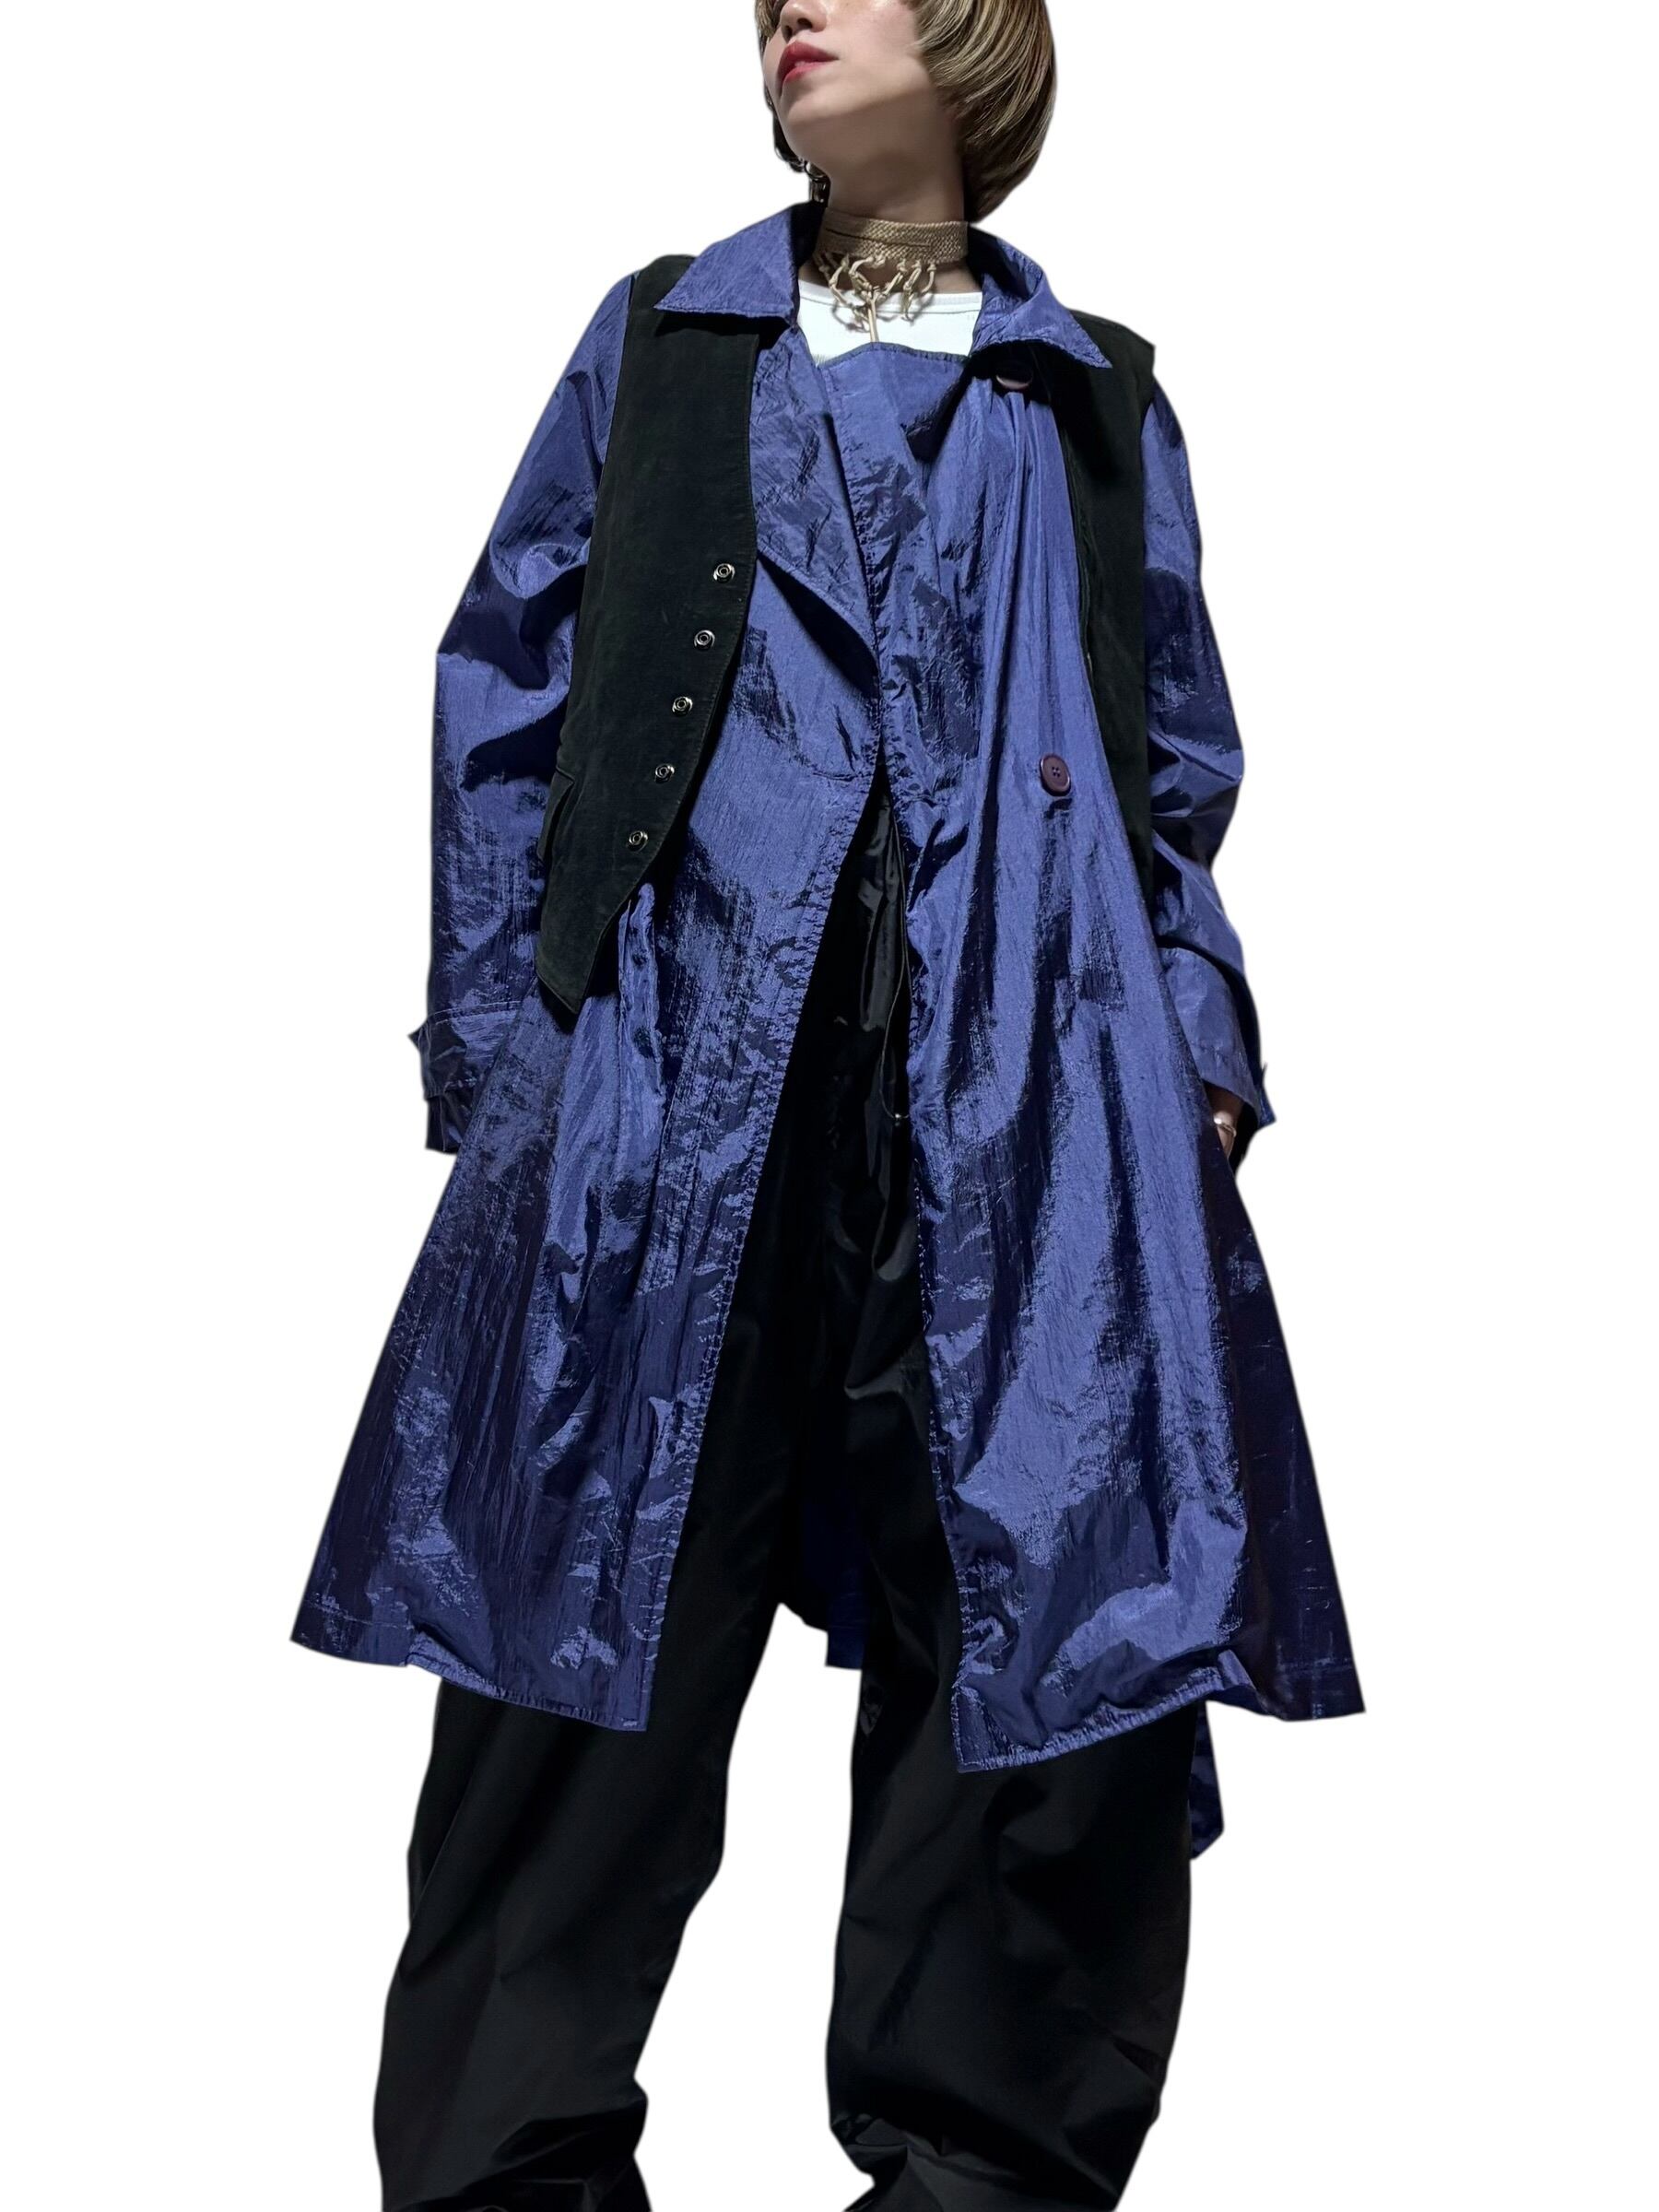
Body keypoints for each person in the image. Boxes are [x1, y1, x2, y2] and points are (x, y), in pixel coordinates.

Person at [293, 3, 1364, 2204]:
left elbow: (1171, 765)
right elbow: (505, 683)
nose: (795, 8)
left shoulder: (1095, 391)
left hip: (1034, 1100)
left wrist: (1197, 1053)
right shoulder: (663, 343)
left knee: (1036, 1664)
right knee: (580, 1641)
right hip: (670, 1078)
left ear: (974, 45)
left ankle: (974, 2178)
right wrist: (509, 1053)